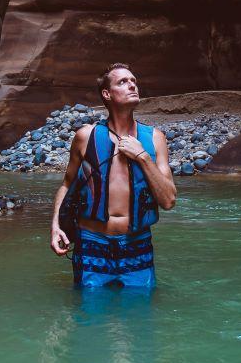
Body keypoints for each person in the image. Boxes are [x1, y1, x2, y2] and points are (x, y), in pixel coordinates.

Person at [50, 63, 177, 287]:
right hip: (91, 242)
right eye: (123, 82)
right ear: (107, 94)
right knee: (90, 316)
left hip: (137, 243)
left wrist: (142, 157)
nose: (132, 85)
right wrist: (56, 226)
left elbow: (168, 201)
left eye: (134, 81)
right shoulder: (85, 136)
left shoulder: (155, 138)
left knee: (139, 315)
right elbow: (67, 184)